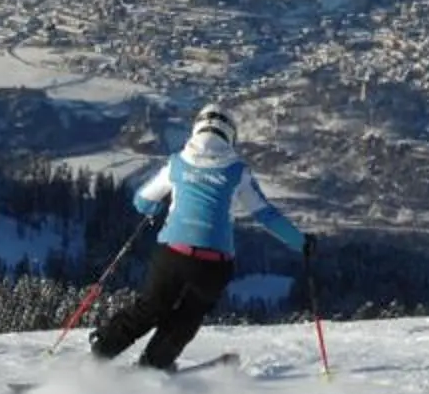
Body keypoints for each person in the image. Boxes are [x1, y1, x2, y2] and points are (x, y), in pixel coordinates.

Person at [92, 105, 304, 370]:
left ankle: (101, 352)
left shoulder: (177, 163)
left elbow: (142, 201)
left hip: (173, 255)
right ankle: (154, 365)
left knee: (150, 307)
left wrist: (157, 208)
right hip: (215, 264)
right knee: (188, 317)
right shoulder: (238, 171)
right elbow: (266, 215)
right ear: (230, 135)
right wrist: (301, 242)